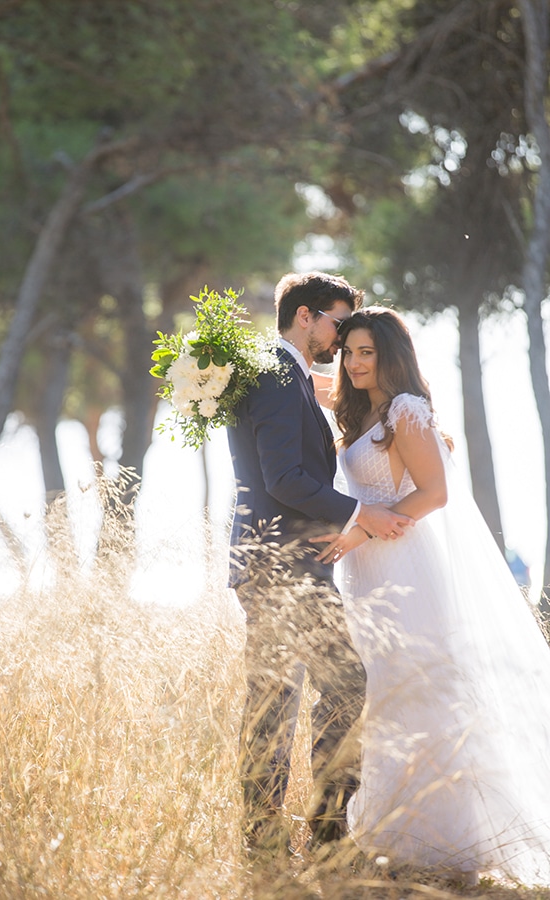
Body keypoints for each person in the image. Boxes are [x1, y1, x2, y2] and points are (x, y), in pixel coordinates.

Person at [311, 307, 550, 886]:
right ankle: (399, 830)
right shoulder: (363, 409)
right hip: (367, 570)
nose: (356, 362)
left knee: (418, 693)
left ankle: (453, 840)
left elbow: (435, 494)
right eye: (350, 352)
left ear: (391, 355)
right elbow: (301, 377)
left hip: (406, 566)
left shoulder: (406, 412)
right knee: (386, 696)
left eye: (368, 352)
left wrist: (361, 531)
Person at [226, 272, 413, 855]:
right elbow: (285, 479)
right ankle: (322, 833)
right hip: (283, 565)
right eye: (336, 322)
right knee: (341, 688)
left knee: (275, 700)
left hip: (274, 561)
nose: (340, 337)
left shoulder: (287, 374)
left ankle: (276, 835)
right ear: (304, 316)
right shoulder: (280, 376)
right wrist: (364, 514)